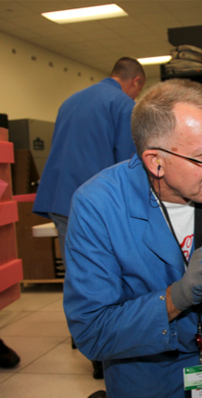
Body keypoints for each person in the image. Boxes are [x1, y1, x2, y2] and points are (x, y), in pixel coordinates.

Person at [63, 79, 202, 398]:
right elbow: (92, 332)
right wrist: (175, 297)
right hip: (146, 372)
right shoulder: (98, 205)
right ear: (156, 162)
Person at [33, 57, 145, 379]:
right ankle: (108, 354)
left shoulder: (70, 101)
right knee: (114, 273)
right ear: (136, 81)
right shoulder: (123, 104)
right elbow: (131, 164)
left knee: (80, 275)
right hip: (96, 205)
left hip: (60, 199)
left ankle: (89, 345)